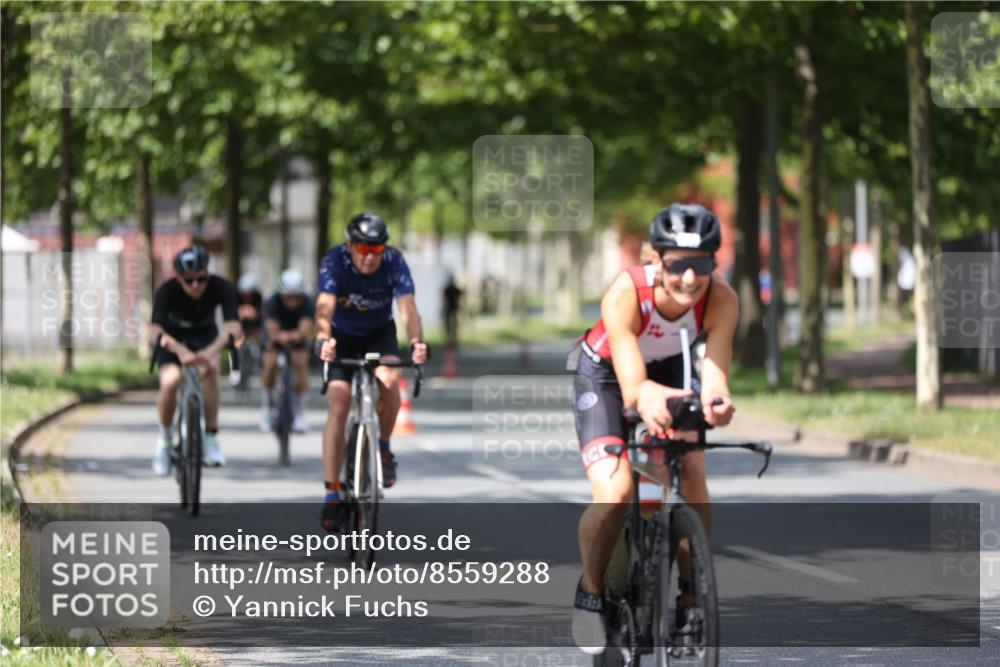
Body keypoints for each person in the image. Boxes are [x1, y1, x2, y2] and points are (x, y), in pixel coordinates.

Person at [569, 204, 738, 653]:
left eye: (700, 264)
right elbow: (632, 389)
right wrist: (646, 399)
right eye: (678, 265)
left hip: (669, 370)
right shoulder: (626, 293)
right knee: (616, 492)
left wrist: (717, 403)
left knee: (693, 470)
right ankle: (590, 592)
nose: (689, 278)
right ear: (657, 261)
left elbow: (716, 374)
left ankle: (688, 595)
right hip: (607, 375)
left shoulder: (721, 298)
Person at [314, 212, 429, 531]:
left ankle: (383, 448)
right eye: (363, 249)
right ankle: (332, 493)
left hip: (379, 333)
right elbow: (324, 306)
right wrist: (323, 339)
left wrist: (417, 342)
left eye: (376, 250)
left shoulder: (393, 261)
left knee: (390, 381)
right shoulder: (335, 261)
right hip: (342, 337)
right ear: (350, 246)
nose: (369, 257)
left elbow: (408, 308)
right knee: (338, 405)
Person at [150, 245, 242, 475]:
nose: (195, 286)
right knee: (171, 381)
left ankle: (211, 438)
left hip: (205, 337)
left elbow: (234, 327)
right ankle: (164, 441)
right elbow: (155, 331)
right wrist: (180, 351)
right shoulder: (166, 292)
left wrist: (211, 351)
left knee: (210, 370)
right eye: (188, 281)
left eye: (200, 279)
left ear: (207, 274)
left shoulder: (222, 287)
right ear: (178, 278)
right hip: (172, 340)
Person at [259, 268, 315, 433]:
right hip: (276, 335)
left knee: (300, 363)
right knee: (269, 363)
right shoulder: (272, 302)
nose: (292, 302)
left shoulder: (308, 303)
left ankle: (299, 414)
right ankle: (267, 408)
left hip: (298, 336)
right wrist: (278, 336)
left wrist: (298, 335)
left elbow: (306, 327)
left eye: (296, 297)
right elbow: (271, 328)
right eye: (288, 297)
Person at [236, 273, 264, 347]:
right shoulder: (236, 299)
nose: (247, 297)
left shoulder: (258, 299)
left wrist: (255, 313)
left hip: (256, 327)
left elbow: (263, 315)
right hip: (240, 327)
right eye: (244, 294)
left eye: (249, 294)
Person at [442, 274, 463, 347]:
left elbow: (459, 298)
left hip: (453, 308)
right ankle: (449, 340)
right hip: (450, 308)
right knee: (449, 325)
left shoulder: (454, 289)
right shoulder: (449, 289)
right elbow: (444, 299)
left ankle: (453, 340)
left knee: (453, 325)